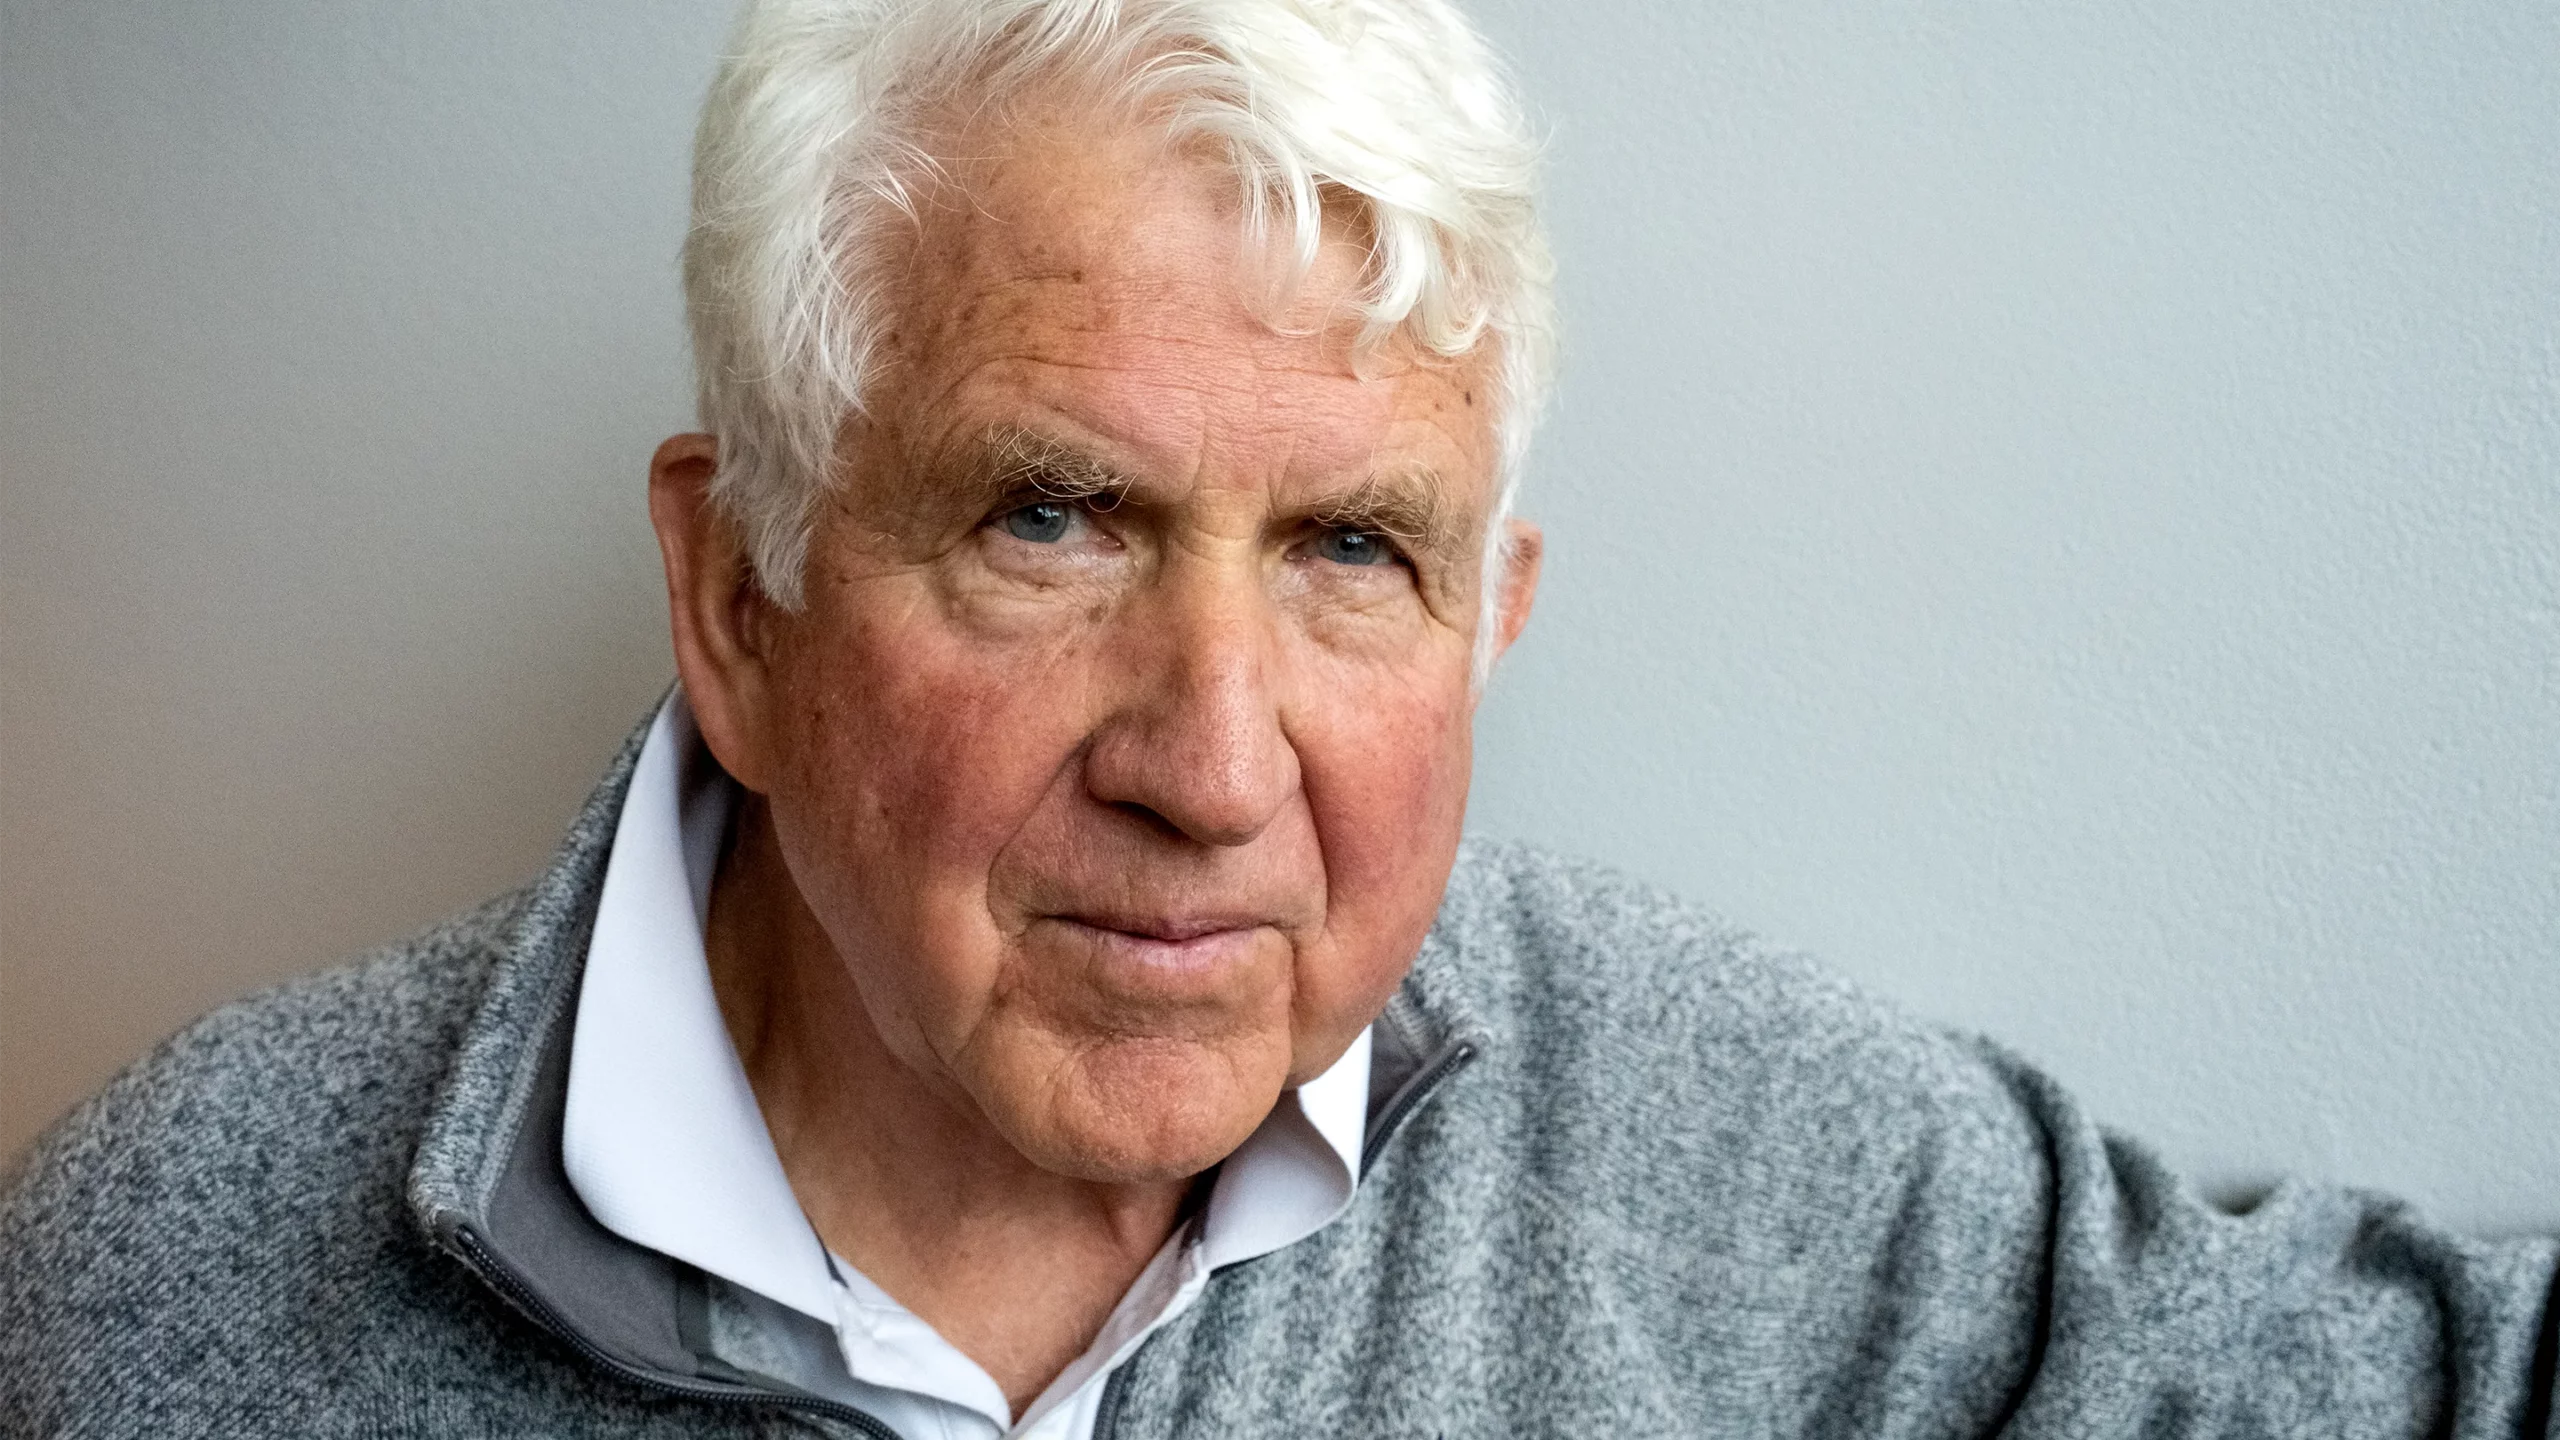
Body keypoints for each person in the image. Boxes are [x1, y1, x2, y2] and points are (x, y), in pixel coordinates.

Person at [2, 0, 2553, 1433]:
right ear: (734, 595)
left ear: (1490, 611)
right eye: (1050, 522)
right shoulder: (166, 1286)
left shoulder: (1706, 1141)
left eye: (1352, 552)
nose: (1211, 766)